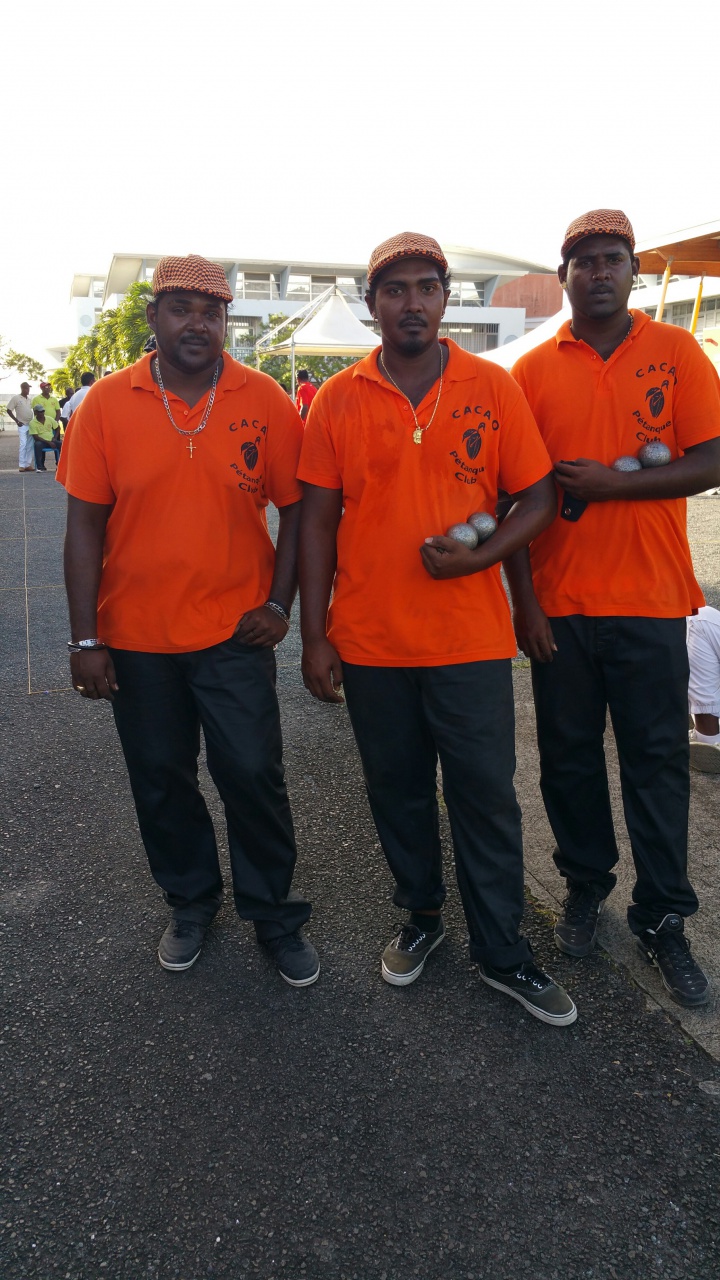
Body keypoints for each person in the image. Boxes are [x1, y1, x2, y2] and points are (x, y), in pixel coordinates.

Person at [298, 231, 576, 1027]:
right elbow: (315, 524)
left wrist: (480, 556)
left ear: (445, 299)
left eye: (426, 286)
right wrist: (315, 635)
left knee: (486, 797)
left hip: (471, 643)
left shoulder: (491, 386)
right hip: (372, 642)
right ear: (372, 304)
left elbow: (536, 497)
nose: (411, 301)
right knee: (398, 792)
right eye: (395, 289)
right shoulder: (341, 398)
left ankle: (503, 951)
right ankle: (421, 919)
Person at [57, 253, 318, 986]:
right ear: (154, 318)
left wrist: (278, 604)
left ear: (226, 321)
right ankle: (191, 902)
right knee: (162, 780)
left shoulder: (262, 397)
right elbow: (83, 526)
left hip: (235, 635)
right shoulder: (107, 404)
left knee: (252, 773)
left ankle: (272, 914)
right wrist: (86, 638)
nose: (197, 323)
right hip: (136, 640)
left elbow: (298, 510)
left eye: (212, 310)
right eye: (181, 308)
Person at [507, 208, 720, 1008]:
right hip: (559, 607)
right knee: (567, 762)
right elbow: (515, 499)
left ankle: (663, 917)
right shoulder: (531, 374)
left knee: (657, 767)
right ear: (563, 277)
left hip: (653, 602)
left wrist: (616, 485)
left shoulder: (676, 353)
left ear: (632, 272)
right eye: (583, 261)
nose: (599, 272)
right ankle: (585, 888)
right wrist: (522, 604)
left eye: (612, 259)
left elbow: (712, 459)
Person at [687, 605, 720, 773]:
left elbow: (703, 695)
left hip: (697, 626)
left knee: (707, 741)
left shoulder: (694, 623)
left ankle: (709, 737)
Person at [6, 381, 35, 471]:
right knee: (23, 444)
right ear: (22, 388)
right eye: (26, 388)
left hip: (30, 424)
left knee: (30, 445)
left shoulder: (29, 399)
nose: (28, 390)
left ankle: (27, 464)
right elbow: (9, 410)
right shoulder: (16, 398)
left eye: (29, 388)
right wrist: (16, 421)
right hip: (22, 424)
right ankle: (22, 465)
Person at [29, 406, 60, 470]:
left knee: (61, 444)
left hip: (51, 439)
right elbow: (36, 437)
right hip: (41, 441)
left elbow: (57, 428)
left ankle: (60, 464)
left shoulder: (49, 419)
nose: (42, 413)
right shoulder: (32, 423)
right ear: (35, 412)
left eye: (43, 411)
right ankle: (40, 466)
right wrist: (49, 442)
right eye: (40, 412)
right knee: (37, 445)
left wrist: (55, 438)